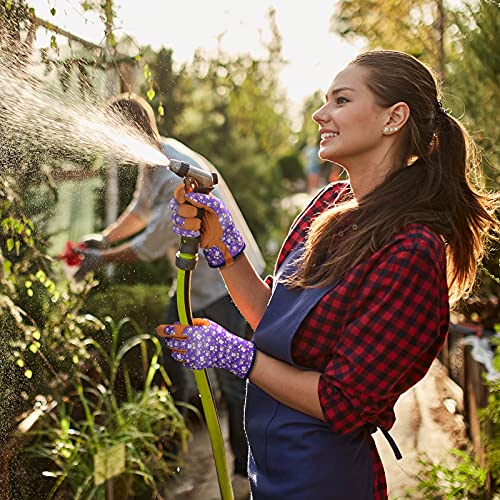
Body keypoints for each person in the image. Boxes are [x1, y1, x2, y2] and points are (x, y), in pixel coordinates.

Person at [160, 50, 499, 499]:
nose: (321, 115)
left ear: (393, 118)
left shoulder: (412, 252)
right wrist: (222, 245)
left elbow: (342, 401)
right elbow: (273, 320)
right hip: (271, 467)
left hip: (326, 480)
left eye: (341, 100)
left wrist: (238, 358)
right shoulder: (327, 206)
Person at [75, 93, 265, 497]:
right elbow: (140, 212)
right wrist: (103, 238)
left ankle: (246, 477)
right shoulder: (153, 162)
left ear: (131, 132)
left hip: (229, 285)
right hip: (195, 289)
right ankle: (179, 436)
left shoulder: (176, 170)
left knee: (237, 385)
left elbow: (152, 239)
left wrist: (101, 257)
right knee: (172, 351)